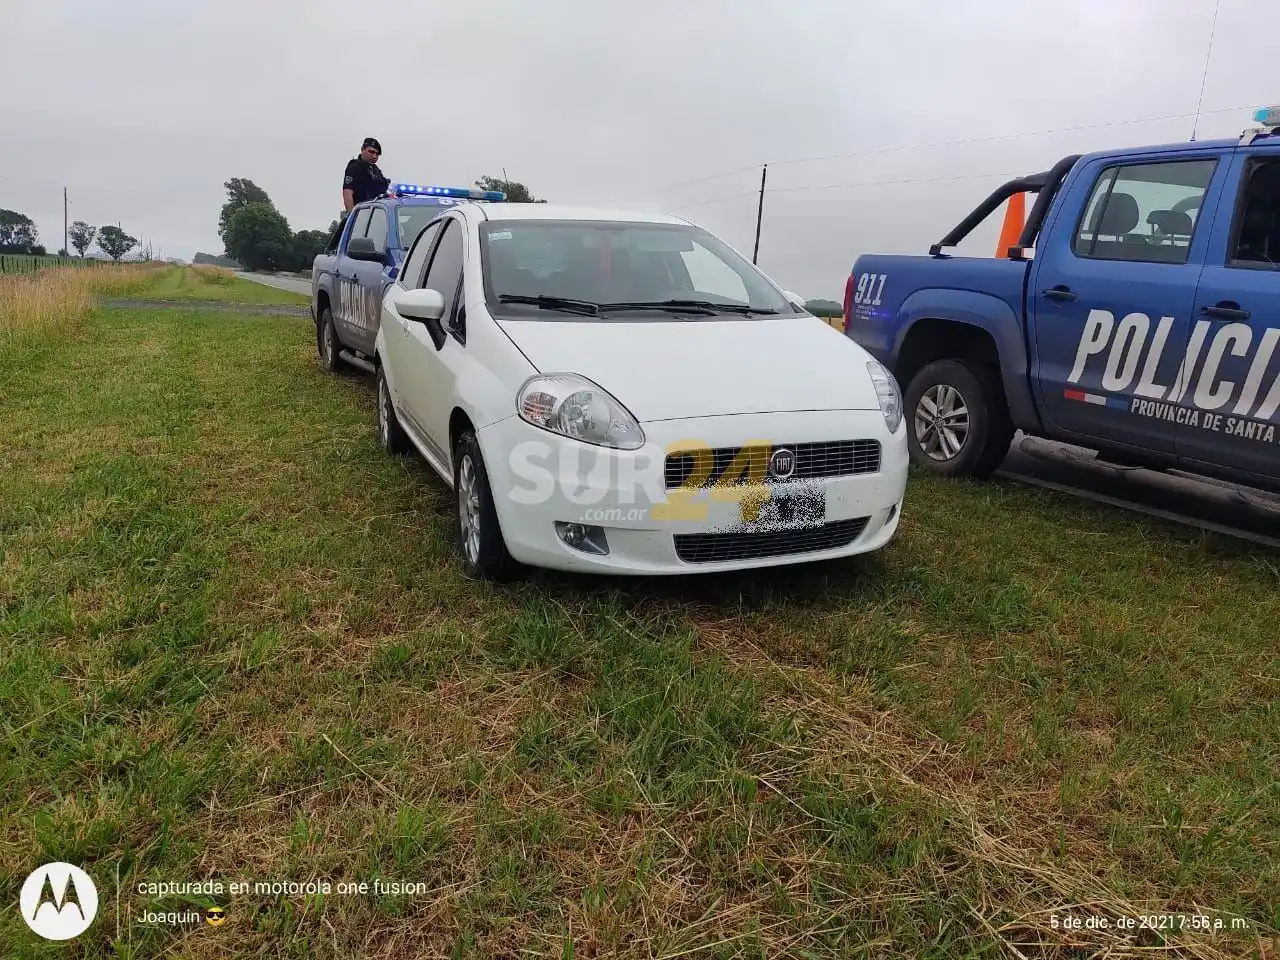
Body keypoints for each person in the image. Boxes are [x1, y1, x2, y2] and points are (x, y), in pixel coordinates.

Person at [342, 138, 389, 212]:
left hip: (376, 212)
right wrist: (352, 217)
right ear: (362, 149)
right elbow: (347, 193)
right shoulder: (354, 167)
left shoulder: (375, 170)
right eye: (371, 152)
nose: (374, 156)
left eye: (377, 154)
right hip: (361, 214)